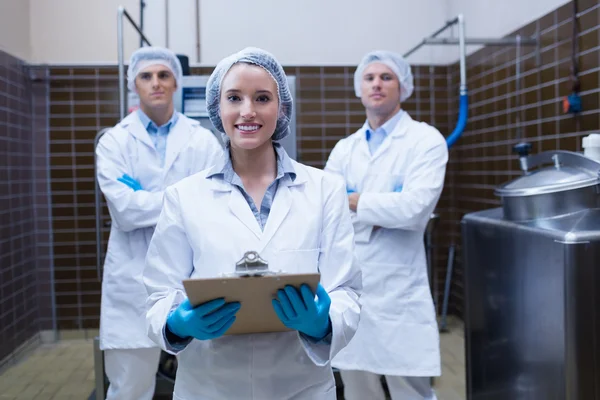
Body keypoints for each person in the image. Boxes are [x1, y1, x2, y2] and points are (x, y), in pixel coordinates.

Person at [143, 47, 362, 400]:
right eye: (234, 98)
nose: (248, 111)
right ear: (218, 107)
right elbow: (159, 292)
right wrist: (176, 323)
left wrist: (322, 324)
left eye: (262, 98)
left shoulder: (324, 190)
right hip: (210, 385)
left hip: (300, 386)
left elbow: (346, 290)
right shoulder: (184, 196)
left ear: (282, 108)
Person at [95, 46, 223, 400]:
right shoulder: (114, 143)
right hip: (132, 279)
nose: (156, 83)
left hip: (193, 272)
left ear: (175, 83)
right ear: (133, 84)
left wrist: (145, 195)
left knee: (205, 385)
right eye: (146, 76)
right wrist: (182, 197)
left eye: (164, 75)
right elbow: (124, 211)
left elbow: (213, 205)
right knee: (129, 387)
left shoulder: (203, 141)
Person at [326, 50, 449, 400]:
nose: (377, 84)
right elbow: (328, 210)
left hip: (400, 291)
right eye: (369, 77)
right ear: (359, 88)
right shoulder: (345, 149)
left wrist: (354, 199)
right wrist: (382, 210)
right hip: (352, 286)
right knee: (357, 387)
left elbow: (413, 209)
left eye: (386, 77)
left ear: (403, 86)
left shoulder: (426, 141)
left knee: (409, 388)